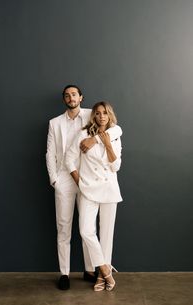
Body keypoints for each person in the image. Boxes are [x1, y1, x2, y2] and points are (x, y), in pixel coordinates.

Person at [46, 86, 122, 290]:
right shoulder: (55, 123)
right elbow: (50, 152)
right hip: (67, 178)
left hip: (93, 180)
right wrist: (55, 180)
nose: (71, 98)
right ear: (64, 99)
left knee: (97, 230)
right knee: (66, 227)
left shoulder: (92, 113)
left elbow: (116, 128)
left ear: (81, 97)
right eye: (67, 95)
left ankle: (93, 270)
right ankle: (64, 273)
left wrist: (95, 139)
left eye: (74, 94)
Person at [65, 101, 123, 292]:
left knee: (107, 235)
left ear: (109, 115)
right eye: (97, 113)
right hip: (88, 189)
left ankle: (101, 276)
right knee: (86, 231)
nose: (101, 116)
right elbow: (69, 160)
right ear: (94, 116)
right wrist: (79, 181)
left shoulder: (114, 135)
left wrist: (106, 144)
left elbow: (116, 167)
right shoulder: (83, 135)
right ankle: (106, 269)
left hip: (109, 189)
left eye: (105, 113)